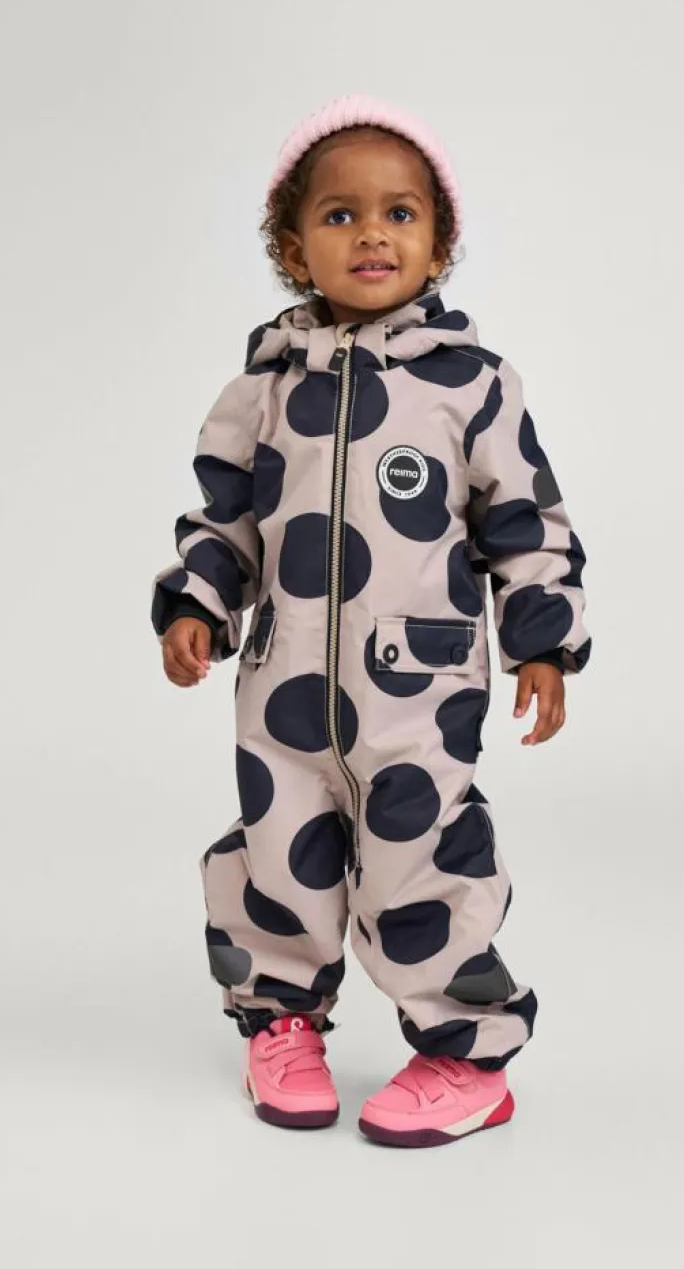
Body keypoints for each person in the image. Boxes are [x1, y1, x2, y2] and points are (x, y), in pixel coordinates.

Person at [151, 94, 591, 1147]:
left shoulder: (473, 387)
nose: (372, 234)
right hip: (285, 694)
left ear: (439, 243)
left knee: (423, 865)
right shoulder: (262, 391)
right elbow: (224, 518)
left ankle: (466, 1057)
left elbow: (525, 521)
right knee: (279, 856)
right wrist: (198, 602)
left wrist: (541, 642)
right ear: (292, 249)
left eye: (400, 213)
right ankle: (282, 1023)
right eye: (340, 215)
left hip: (417, 696)